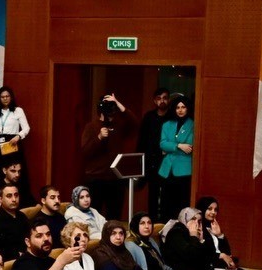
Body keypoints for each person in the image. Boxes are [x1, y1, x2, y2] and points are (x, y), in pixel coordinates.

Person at [80, 93, 133, 216]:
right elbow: (85, 151)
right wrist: (99, 137)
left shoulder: (119, 126)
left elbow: (134, 123)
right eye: (107, 106)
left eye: (112, 106)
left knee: (114, 216)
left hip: (116, 178)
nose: (110, 110)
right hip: (95, 178)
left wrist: (118, 103)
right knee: (93, 215)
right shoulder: (91, 126)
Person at [138, 88, 173, 219]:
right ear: (154, 100)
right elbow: (142, 139)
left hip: (168, 161)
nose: (162, 101)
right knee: (152, 193)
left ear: (168, 99)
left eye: (165, 98)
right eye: (159, 98)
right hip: (151, 161)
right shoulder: (149, 117)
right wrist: (140, 159)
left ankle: (165, 221)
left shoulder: (173, 117)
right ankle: (152, 220)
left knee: (167, 194)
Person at [157, 96, 194, 220]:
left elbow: (189, 147)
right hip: (167, 170)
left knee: (181, 203)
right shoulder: (167, 124)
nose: (180, 110)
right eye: (178, 107)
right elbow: (162, 144)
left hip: (184, 170)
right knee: (166, 203)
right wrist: (178, 145)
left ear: (188, 108)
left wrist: (170, 147)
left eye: (183, 107)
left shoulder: (193, 124)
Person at [0, 86, 30, 179]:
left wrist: (18, 136)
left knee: (13, 169)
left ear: (11, 97)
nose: (5, 99)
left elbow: (26, 128)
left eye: (7, 96)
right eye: (2, 97)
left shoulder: (18, 110)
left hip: (12, 142)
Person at [0, 180, 30, 259]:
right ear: (0, 199)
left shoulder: (22, 216)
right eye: (9, 196)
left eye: (16, 195)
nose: (14, 199)